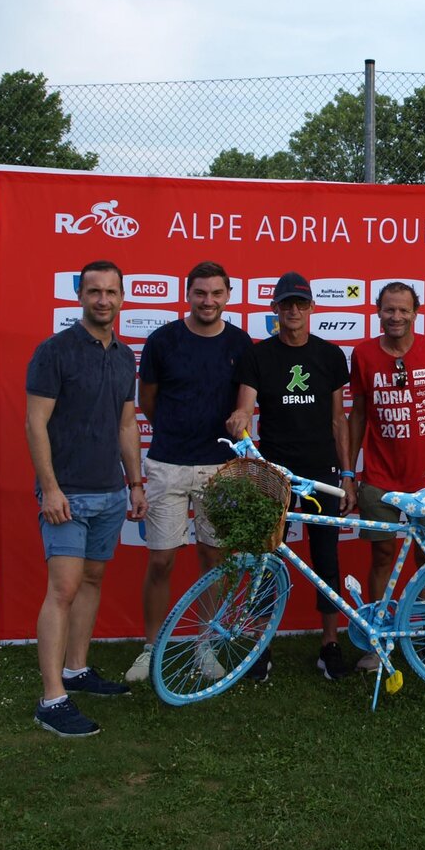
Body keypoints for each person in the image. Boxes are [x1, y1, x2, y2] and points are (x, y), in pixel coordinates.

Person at [26, 260, 147, 737]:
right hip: (68, 496)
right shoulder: (54, 351)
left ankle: (76, 669)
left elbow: (126, 424)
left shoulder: (124, 356)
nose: (103, 300)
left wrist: (134, 483)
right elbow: (35, 423)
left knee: (92, 581)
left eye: (111, 292)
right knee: (63, 590)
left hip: (110, 493)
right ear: (80, 295)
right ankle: (52, 699)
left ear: (122, 297)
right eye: (94, 291)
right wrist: (51, 488)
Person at [124, 261, 252, 684]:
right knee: (161, 560)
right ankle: (151, 647)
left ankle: (204, 644)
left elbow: (245, 400)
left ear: (228, 295)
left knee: (214, 559)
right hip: (168, 465)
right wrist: (177, 432)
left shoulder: (240, 342)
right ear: (188, 294)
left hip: (221, 468)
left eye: (216, 293)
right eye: (200, 293)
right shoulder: (162, 341)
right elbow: (148, 402)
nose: (208, 301)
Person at [226, 271, 356, 682]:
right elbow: (245, 406)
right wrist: (239, 418)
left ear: (312, 307)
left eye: (300, 303)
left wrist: (347, 474)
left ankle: (329, 645)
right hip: (274, 471)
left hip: (321, 470)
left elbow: (338, 420)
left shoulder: (330, 355)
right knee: (266, 556)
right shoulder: (258, 355)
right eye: (286, 304)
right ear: (275, 309)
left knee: (326, 556)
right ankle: (260, 645)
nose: (294, 311)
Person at [347, 281, 425, 671]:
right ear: (378, 311)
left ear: (416, 312)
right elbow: (358, 414)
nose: (396, 316)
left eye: (403, 310)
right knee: (382, 556)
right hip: (379, 476)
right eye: (389, 309)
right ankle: (377, 642)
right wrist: (349, 472)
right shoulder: (363, 354)